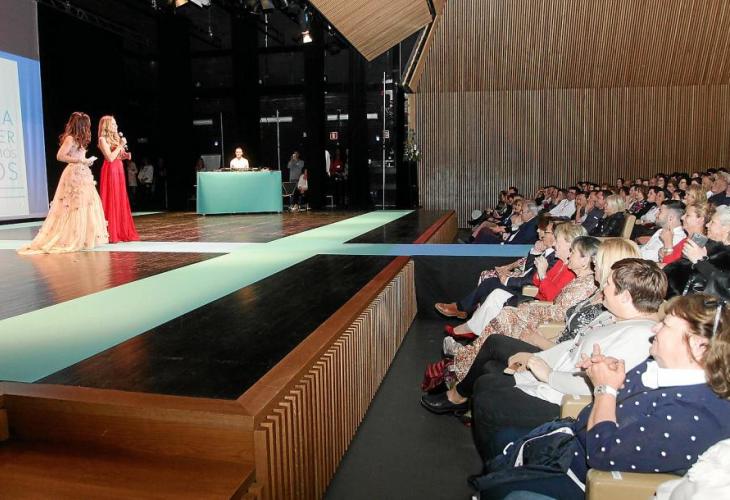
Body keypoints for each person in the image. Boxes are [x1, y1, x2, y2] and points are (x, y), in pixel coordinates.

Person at [471, 293, 730, 500]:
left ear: (699, 346)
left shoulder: (697, 414)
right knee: (502, 438)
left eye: (666, 325)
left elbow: (602, 454)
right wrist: (606, 373)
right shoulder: (658, 366)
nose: (655, 329)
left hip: (589, 480)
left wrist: (605, 387)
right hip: (571, 445)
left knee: (503, 491)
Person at [470, 258, 666, 461]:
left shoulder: (639, 337)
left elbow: (591, 384)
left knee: (487, 399)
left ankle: (500, 464)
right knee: (487, 378)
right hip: (555, 380)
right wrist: (535, 358)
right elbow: (573, 346)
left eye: (608, 284)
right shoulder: (615, 317)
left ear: (625, 297)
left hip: (567, 402)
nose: (603, 288)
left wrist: (548, 375)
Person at [423, 239, 642, 414]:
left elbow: (572, 345)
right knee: (500, 327)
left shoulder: (608, 309)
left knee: (503, 324)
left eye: (598, 261)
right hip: (554, 343)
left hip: (554, 352)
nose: (595, 265)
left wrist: (538, 340)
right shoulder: (599, 294)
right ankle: (462, 376)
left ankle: (460, 383)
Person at [446, 223, 586, 340]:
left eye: (558, 241)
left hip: (541, 307)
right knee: (496, 293)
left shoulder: (572, 270)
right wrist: (540, 274)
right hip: (536, 299)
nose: (554, 244)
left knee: (495, 292)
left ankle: (473, 332)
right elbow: (536, 282)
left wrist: (543, 275)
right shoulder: (561, 263)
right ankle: (473, 330)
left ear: (570, 244)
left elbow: (551, 297)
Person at [19, 112, 109, 254]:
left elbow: (79, 156)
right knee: (73, 205)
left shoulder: (80, 140)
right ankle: (71, 237)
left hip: (83, 173)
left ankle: (83, 237)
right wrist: (80, 160)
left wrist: (86, 161)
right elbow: (60, 156)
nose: (88, 128)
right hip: (73, 174)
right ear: (81, 125)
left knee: (85, 204)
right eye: (86, 125)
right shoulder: (70, 138)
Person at [664, 205, 730, 298]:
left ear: (727, 228)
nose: (707, 225)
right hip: (669, 292)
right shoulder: (707, 245)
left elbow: (725, 287)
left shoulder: (725, 255)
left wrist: (700, 261)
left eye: (713, 222)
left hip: (689, 303)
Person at [98, 115, 139, 243]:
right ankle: (111, 232)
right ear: (107, 126)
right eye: (113, 124)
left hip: (119, 169)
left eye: (116, 123)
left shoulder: (115, 139)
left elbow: (117, 157)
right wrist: (121, 145)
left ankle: (120, 231)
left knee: (119, 197)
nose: (116, 126)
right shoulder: (102, 139)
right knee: (112, 197)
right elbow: (110, 158)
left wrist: (125, 156)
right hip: (110, 170)